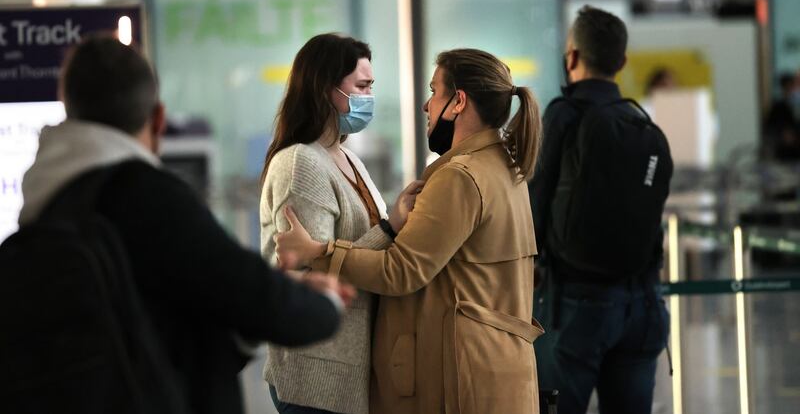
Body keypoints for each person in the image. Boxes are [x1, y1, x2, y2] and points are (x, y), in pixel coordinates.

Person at [16, 35, 351, 414]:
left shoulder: (48, 205)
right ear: (158, 118)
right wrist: (323, 303)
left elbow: (159, 318)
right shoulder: (147, 195)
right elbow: (251, 294)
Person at [274, 48, 544, 414]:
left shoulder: (461, 177)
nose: (426, 106)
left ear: (459, 102)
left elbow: (400, 271)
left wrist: (319, 253)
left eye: (434, 92)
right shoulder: (504, 168)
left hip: (460, 382)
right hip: (492, 373)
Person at [259, 33, 422, 414]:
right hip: (314, 376)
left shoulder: (346, 157)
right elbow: (316, 270)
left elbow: (335, 252)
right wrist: (390, 228)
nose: (369, 96)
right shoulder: (301, 163)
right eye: (361, 86)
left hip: (345, 371)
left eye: (371, 86)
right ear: (326, 89)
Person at [528, 5, 671, 414]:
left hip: (575, 304)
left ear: (571, 56)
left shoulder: (564, 114)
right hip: (643, 303)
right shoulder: (639, 122)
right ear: (621, 62)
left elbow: (534, 205)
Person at [763, 72, 800, 161]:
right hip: (783, 150)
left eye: (792, 86)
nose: (791, 90)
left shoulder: (796, 104)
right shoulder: (778, 106)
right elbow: (769, 126)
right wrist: (782, 133)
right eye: (788, 87)